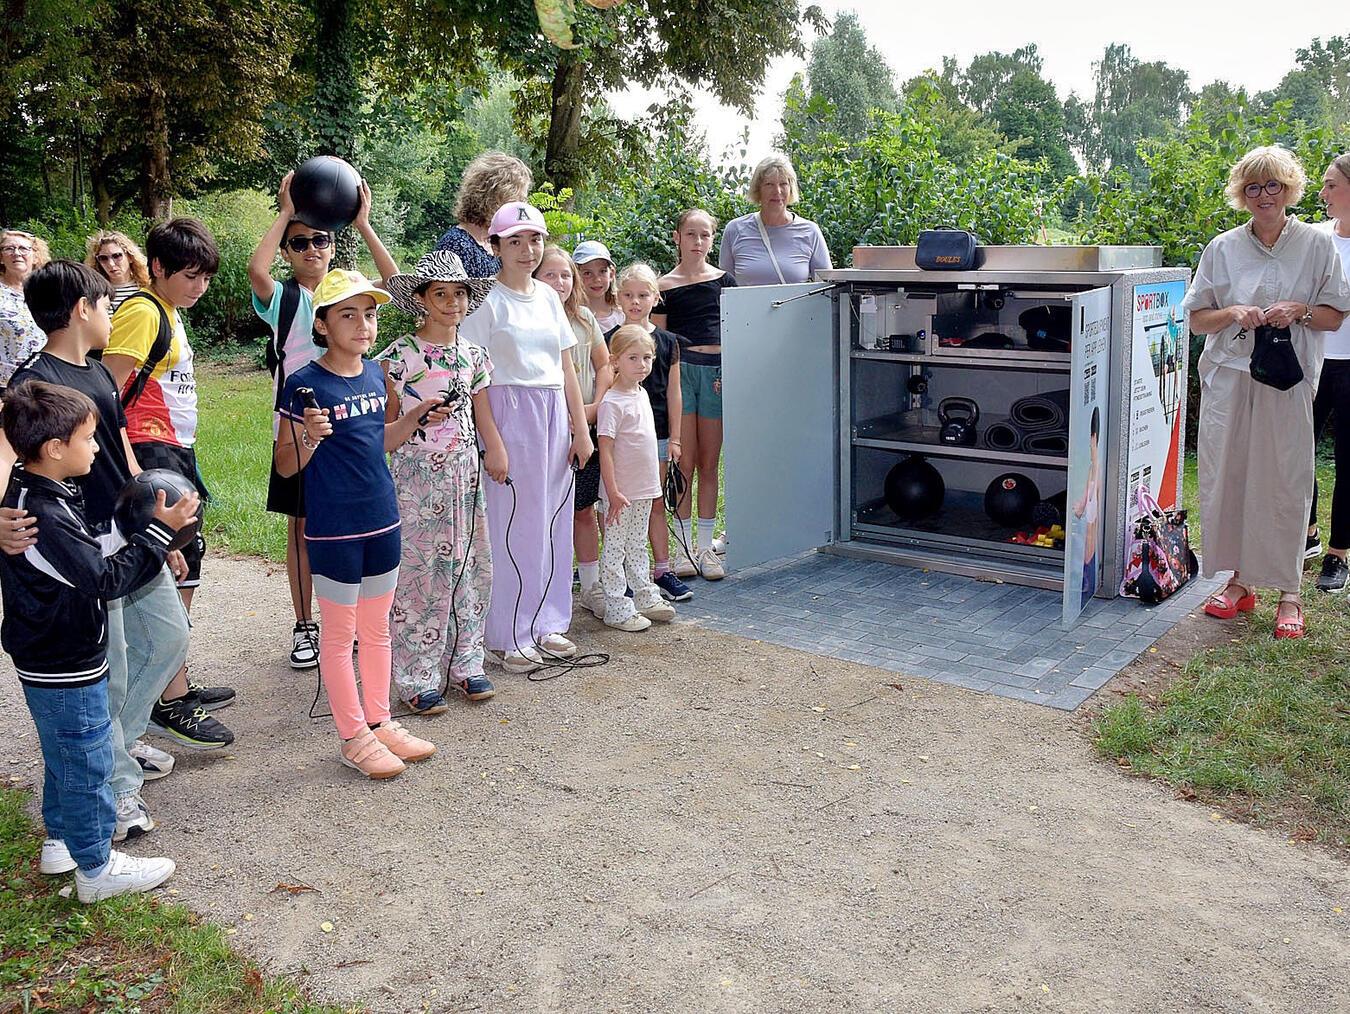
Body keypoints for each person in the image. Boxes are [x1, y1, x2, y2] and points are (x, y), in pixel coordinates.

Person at [2, 261, 199, 842]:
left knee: (169, 638)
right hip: (80, 547)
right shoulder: (31, 384)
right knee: (105, 674)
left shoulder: (99, 376)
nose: (113, 314)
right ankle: (115, 786)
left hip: (128, 532)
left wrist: (158, 532)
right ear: (82, 309)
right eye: (106, 304)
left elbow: (123, 456)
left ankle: (122, 738)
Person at [276, 269, 445, 778]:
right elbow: (285, 465)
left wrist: (413, 420)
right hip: (334, 527)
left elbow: (379, 442)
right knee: (338, 635)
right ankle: (352, 735)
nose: (362, 324)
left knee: (377, 632)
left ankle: (380, 721)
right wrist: (308, 438)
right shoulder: (303, 384)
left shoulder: (376, 373)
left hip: (382, 518)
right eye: (347, 314)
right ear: (322, 326)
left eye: (369, 313)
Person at [1183, 145, 1350, 639]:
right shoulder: (1223, 247)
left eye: (1273, 185)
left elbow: (1335, 315)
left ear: (1290, 189)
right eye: (1253, 186)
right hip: (1230, 378)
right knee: (1231, 476)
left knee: (1285, 479)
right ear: (1242, 193)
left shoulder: (1316, 246)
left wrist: (1298, 309)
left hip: (1288, 380)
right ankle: (1239, 582)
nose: (1263, 195)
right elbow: (1196, 319)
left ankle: (1289, 592)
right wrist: (1233, 313)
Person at [249, 171, 400, 670]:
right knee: (301, 527)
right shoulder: (286, 300)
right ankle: (304, 625)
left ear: (333, 246)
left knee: (347, 522)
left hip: (349, 425)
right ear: (289, 251)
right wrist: (286, 210)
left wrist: (363, 224)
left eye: (320, 240)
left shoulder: (352, 295)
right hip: (299, 426)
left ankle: (348, 619)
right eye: (300, 243)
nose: (311, 248)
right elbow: (255, 268)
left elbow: (398, 287)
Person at [102, 218, 237, 746]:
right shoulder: (142, 312)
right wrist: (134, 470)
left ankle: (171, 683)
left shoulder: (168, 311)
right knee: (170, 560)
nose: (199, 286)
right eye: (189, 275)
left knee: (185, 560)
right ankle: (169, 698)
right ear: (156, 268)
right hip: (149, 454)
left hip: (172, 450)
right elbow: (104, 395)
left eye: (205, 276)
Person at [458, 202, 592, 675]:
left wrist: (580, 428)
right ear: (495, 246)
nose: (527, 250)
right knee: (513, 524)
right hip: (509, 415)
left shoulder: (550, 298)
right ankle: (508, 633)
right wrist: (492, 440)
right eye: (514, 241)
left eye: (534, 239)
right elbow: (475, 378)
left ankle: (547, 621)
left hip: (553, 414)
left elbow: (566, 368)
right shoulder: (486, 302)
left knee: (552, 521)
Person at [378, 251, 506, 714]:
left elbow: (482, 413)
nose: (452, 302)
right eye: (441, 294)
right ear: (421, 300)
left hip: (465, 474)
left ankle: (466, 661)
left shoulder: (474, 354)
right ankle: (416, 672)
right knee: (421, 573)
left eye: (459, 293)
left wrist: (495, 451)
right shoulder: (397, 357)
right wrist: (415, 422)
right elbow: (386, 430)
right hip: (418, 477)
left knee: (471, 566)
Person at [653, 208, 737, 581]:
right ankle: (684, 548)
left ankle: (706, 549)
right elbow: (658, 342)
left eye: (705, 235)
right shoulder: (663, 286)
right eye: (691, 234)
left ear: (712, 238)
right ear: (677, 237)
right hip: (681, 374)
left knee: (709, 463)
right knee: (683, 463)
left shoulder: (725, 280)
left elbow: (740, 331)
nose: (698, 242)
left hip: (717, 376)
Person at [606, 262, 690, 603]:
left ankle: (661, 569)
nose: (635, 301)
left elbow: (674, 392)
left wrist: (676, 438)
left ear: (656, 297)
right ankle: (621, 574)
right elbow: (605, 389)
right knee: (618, 506)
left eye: (643, 295)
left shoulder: (668, 342)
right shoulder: (611, 340)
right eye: (628, 295)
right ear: (618, 298)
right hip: (621, 439)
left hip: (655, 435)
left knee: (653, 502)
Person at [534, 244, 611, 616]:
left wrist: (592, 408)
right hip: (546, 428)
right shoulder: (530, 318)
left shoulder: (583, 318)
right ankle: (547, 585)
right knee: (547, 511)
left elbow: (605, 365)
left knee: (583, 507)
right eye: (550, 274)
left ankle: (592, 586)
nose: (560, 281)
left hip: (585, 427)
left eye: (565, 274)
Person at [594, 325, 677, 631]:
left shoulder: (641, 394)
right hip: (620, 493)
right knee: (615, 548)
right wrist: (612, 492)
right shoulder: (611, 403)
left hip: (644, 489)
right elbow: (606, 451)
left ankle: (645, 595)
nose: (642, 365)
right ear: (615, 361)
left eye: (647, 358)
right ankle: (616, 604)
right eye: (633, 358)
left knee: (637, 544)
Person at [1309, 152, 1350, 593]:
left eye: (1331, 185)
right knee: (1297, 453)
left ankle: (1338, 555)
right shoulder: (1317, 238)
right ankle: (1308, 534)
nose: (1323, 194)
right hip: (1312, 360)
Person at [719, 154, 832, 286]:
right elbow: (725, 289)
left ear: (791, 189)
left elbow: (827, 287)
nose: (777, 191)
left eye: (783, 184)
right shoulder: (734, 230)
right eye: (769, 184)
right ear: (758, 189)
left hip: (795, 307)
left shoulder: (810, 232)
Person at [434, 152, 533, 277]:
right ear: (493, 198)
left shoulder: (496, 242)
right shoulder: (455, 245)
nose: (519, 207)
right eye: (517, 200)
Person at [0, 229, 51, 388]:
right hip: (5, 383)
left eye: (23, 248)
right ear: (1, 257)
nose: (16, 253)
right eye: (9, 248)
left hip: (45, 379)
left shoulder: (49, 290)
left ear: (36, 256)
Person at [84, 230, 150, 313]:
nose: (111, 264)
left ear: (130, 257)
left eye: (117, 256)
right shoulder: (94, 293)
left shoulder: (148, 287)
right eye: (103, 258)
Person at [574, 240, 623, 332]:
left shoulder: (623, 315)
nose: (597, 279)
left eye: (602, 271)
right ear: (576, 276)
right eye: (587, 273)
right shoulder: (572, 317)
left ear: (611, 274)